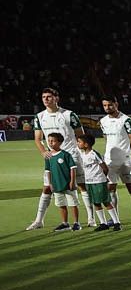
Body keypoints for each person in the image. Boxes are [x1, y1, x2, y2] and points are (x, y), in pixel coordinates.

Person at [28, 88, 88, 231]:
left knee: (81, 186)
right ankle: (39, 221)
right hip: (53, 157)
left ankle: (91, 219)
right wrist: (44, 152)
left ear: (56, 98)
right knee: (47, 187)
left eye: (49, 96)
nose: (46, 99)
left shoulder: (69, 115)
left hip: (71, 155)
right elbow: (38, 138)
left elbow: (81, 135)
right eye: (43, 97)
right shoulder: (39, 116)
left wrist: (81, 153)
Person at [98, 96, 131, 223]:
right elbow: (106, 138)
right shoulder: (103, 121)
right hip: (110, 161)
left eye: (110, 105)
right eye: (105, 105)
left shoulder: (126, 120)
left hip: (125, 161)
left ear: (116, 104)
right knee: (111, 188)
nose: (107, 107)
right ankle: (114, 219)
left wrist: (126, 153)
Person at [77, 134, 119, 231]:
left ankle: (117, 222)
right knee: (96, 203)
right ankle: (103, 223)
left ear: (86, 144)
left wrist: (103, 178)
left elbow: (105, 168)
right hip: (89, 182)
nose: (77, 143)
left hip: (99, 181)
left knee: (106, 202)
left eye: (79, 142)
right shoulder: (83, 155)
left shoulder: (94, 154)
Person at [42, 132, 80, 231]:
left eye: (53, 141)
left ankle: (76, 223)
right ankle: (65, 223)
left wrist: (72, 182)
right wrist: (50, 183)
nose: (50, 143)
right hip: (56, 185)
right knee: (61, 204)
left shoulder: (65, 155)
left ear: (59, 142)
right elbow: (48, 171)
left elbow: (72, 168)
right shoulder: (48, 156)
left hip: (67, 184)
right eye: (49, 141)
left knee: (73, 204)